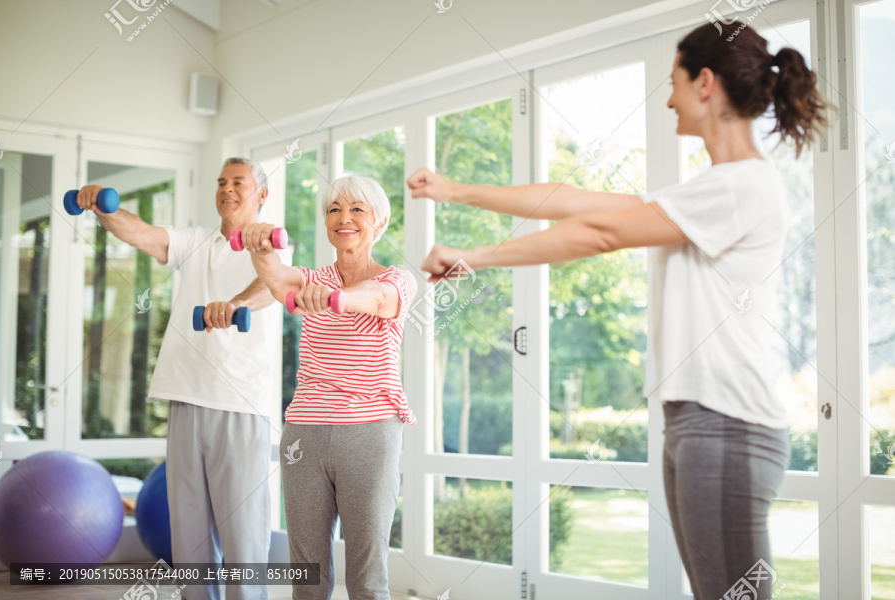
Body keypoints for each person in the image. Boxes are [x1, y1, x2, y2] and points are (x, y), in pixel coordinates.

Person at [407, 20, 829, 600]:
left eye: (674, 80)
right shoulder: (708, 189)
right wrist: (457, 191)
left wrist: (475, 258)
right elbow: (571, 201)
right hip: (695, 420)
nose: (668, 96)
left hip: (728, 422)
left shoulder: (741, 188)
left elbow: (600, 233)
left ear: (705, 83)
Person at [75, 157, 284, 600]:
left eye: (239, 182)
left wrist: (233, 303)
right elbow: (142, 233)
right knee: (188, 538)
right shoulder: (196, 242)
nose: (227, 189)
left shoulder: (271, 243)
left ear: (262, 194)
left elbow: (273, 286)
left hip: (238, 403)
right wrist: (105, 209)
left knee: (242, 538)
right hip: (185, 398)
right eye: (221, 181)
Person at [240, 174, 417, 600]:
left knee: (367, 573)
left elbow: (375, 299)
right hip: (306, 432)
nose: (345, 218)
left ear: (381, 222)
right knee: (307, 572)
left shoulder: (399, 280)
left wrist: (335, 298)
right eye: (335, 209)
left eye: (358, 209)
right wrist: (261, 248)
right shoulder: (312, 277)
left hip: (370, 431)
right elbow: (280, 280)